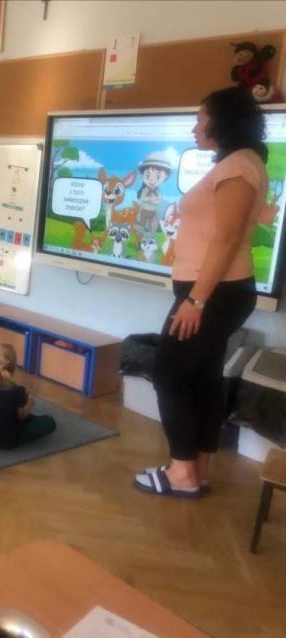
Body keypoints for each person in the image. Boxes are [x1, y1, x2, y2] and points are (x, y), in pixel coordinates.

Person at [136, 86, 268, 499]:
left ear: (222, 121)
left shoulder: (239, 167)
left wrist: (196, 300)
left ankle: (181, 473)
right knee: (203, 377)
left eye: (200, 118)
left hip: (213, 295)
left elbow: (226, 240)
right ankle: (198, 469)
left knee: (168, 373)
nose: (195, 127)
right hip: (214, 293)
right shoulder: (236, 163)